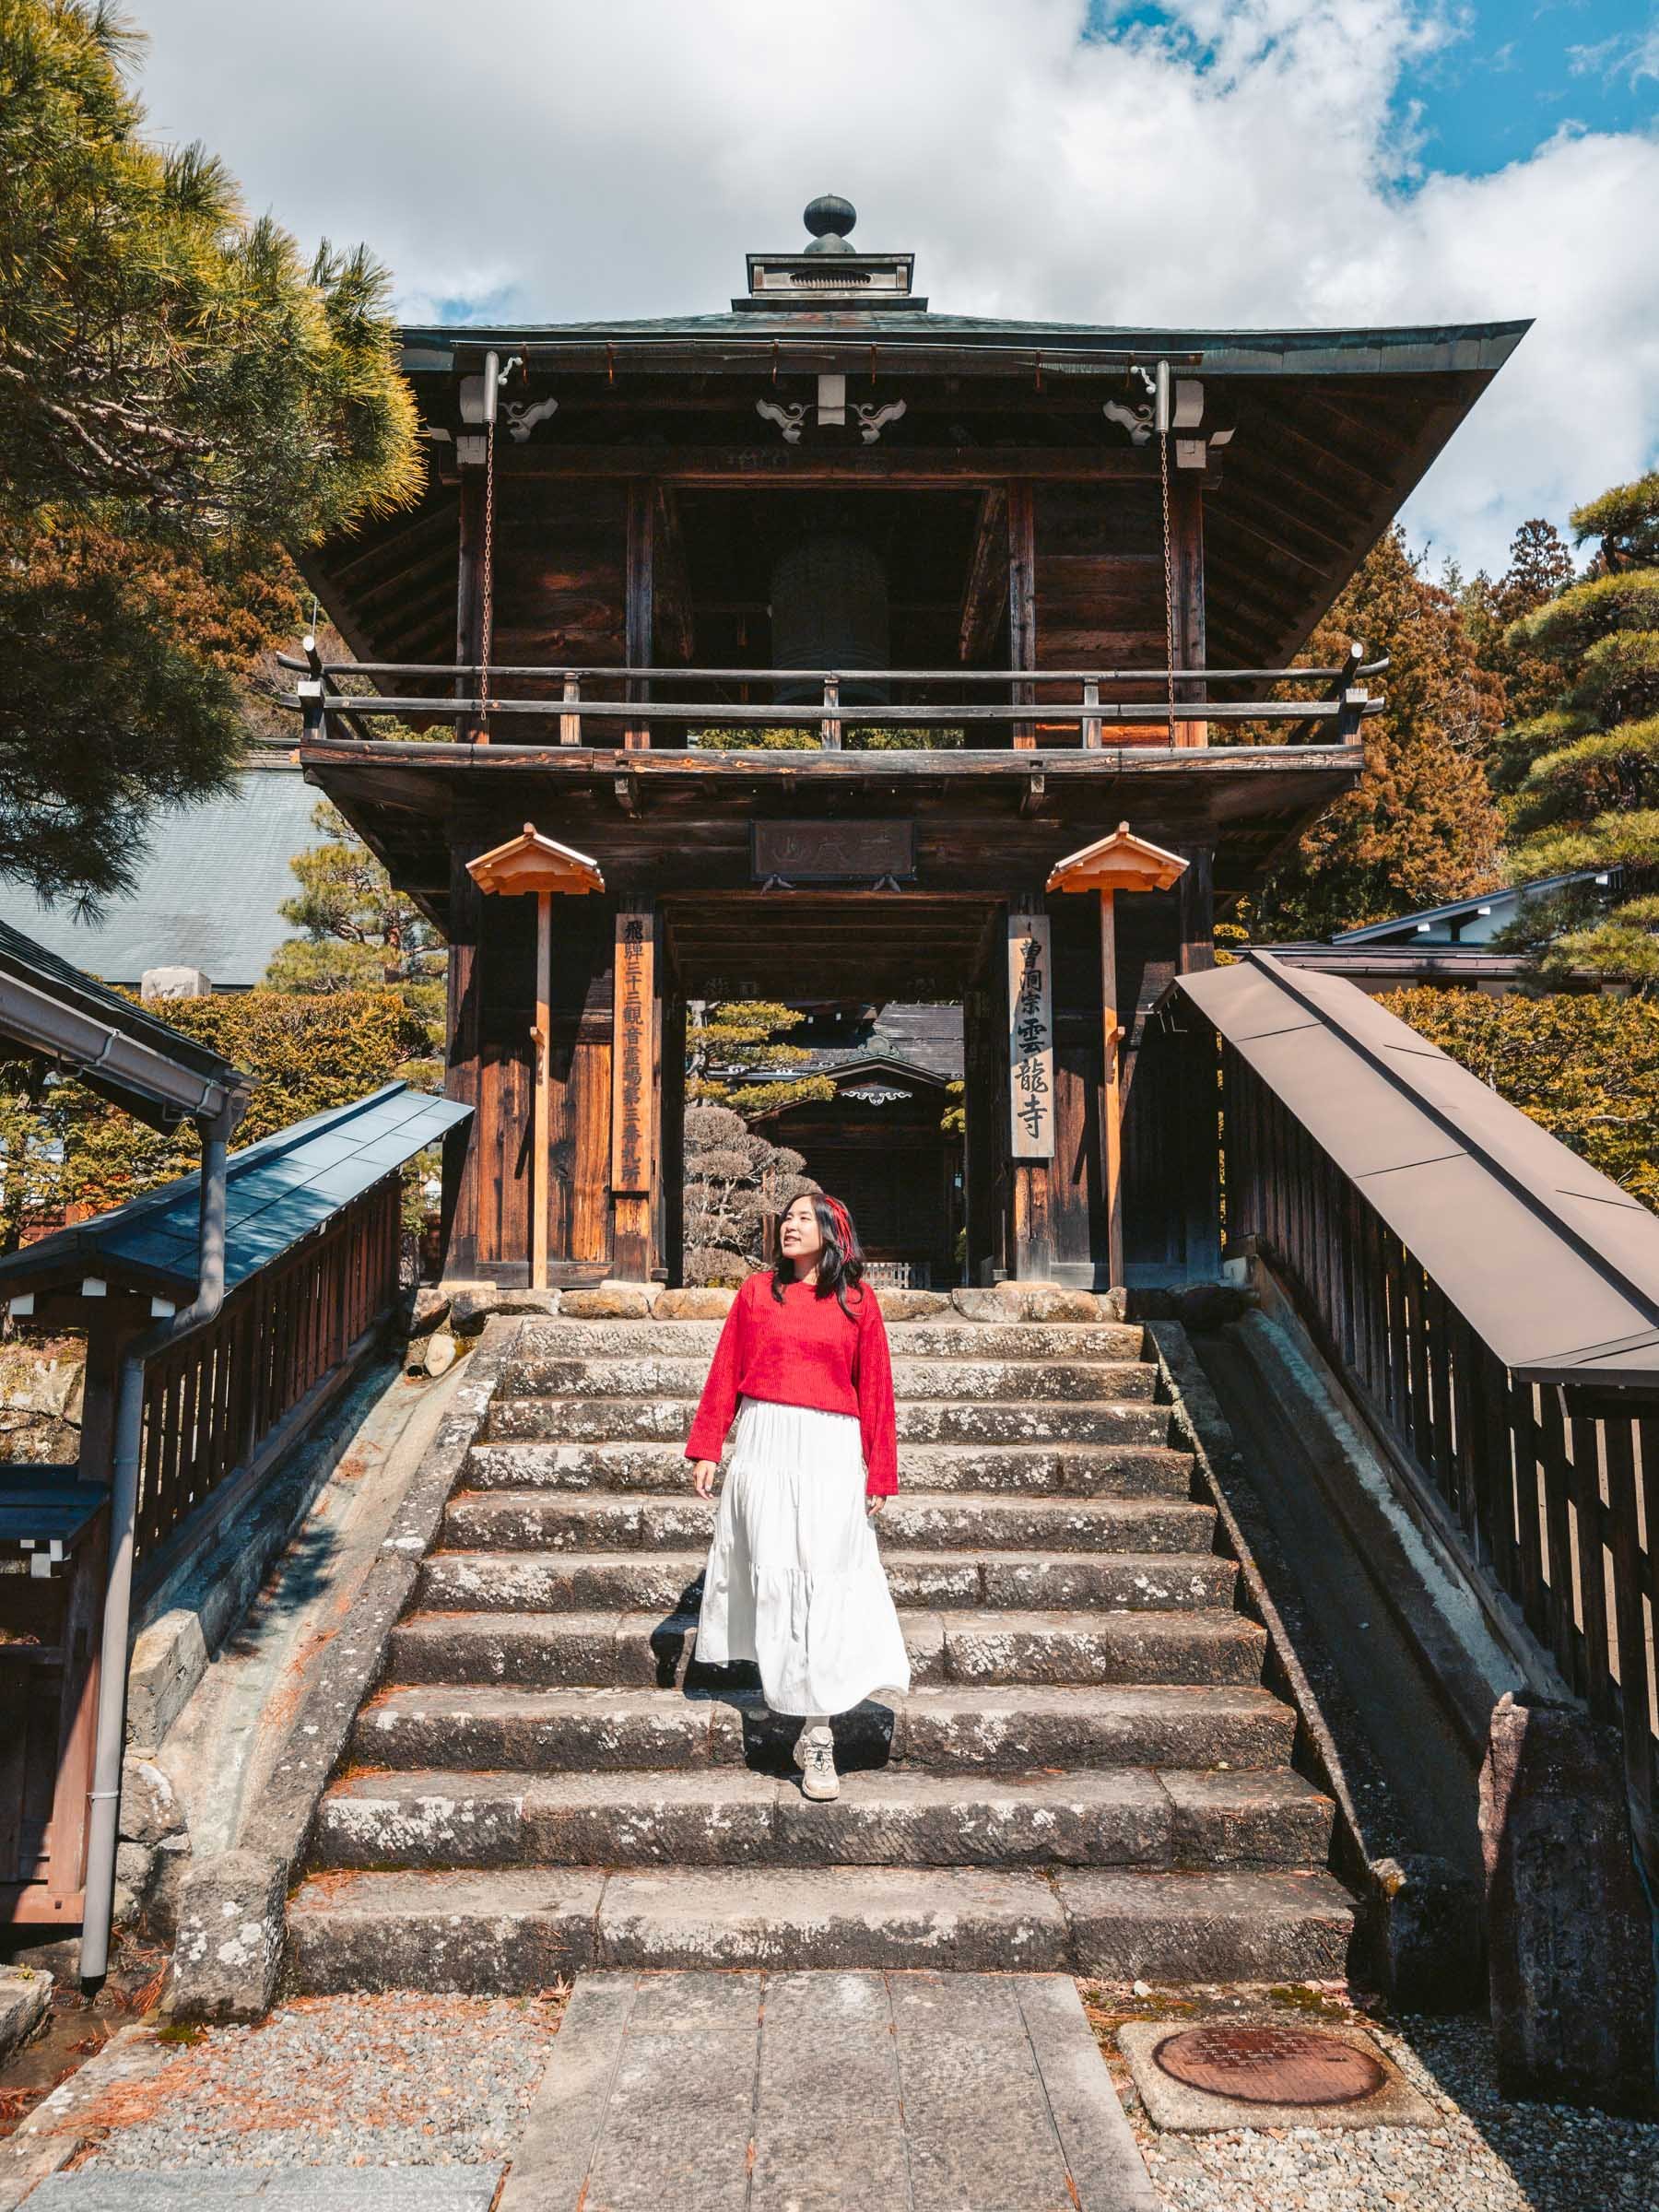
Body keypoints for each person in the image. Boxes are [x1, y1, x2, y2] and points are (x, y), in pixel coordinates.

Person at [686, 1190, 910, 1802]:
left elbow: (878, 1390)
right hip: (765, 1443)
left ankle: (818, 1735)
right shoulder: (756, 1294)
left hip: (831, 1450)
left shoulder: (858, 1301)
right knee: (771, 1575)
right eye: (786, 1218)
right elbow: (726, 1370)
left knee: (825, 1579)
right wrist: (708, 1444)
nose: (790, 1226)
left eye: (804, 1219)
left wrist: (879, 1472)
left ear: (833, 1231)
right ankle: (784, 1691)